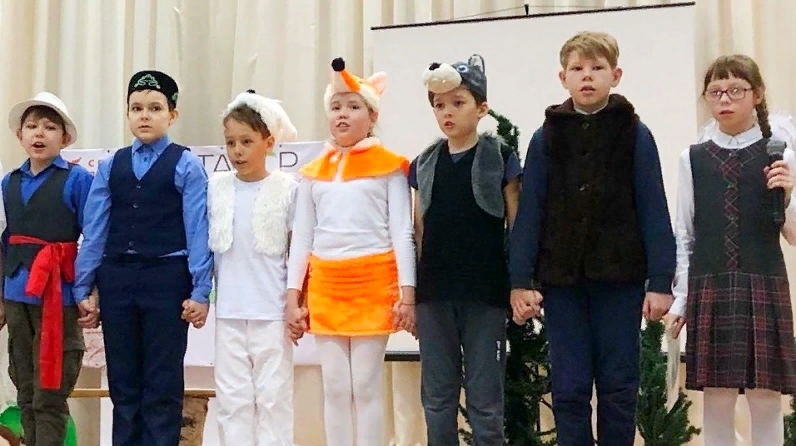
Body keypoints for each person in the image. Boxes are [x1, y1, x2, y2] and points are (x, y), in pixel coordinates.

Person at [508, 31, 676, 446]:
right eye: (577, 68)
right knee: (569, 387)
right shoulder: (546, 137)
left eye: (597, 68)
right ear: (562, 77)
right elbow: (530, 213)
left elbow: (654, 208)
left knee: (619, 385)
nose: (587, 76)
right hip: (562, 284)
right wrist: (520, 280)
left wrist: (660, 281)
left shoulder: (635, 133)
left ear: (615, 76)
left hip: (620, 282)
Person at [73, 70, 213, 446]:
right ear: (127, 114)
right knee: (123, 382)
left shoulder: (186, 164)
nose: (145, 115)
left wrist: (201, 290)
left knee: (162, 382)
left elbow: (198, 230)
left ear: (172, 115)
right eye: (136, 108)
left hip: (167, 278)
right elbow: (95, 230)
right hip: (117, 279)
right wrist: (83, 286)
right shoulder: (110, 166)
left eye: (155, 108)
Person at [664, 54, 796, 446]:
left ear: (757, 95)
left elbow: (793, 235)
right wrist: (681, 299)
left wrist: (788, 195)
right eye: (716, 91)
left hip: (764, 280)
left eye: (736, 90)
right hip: (710, 285)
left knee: (766, 398)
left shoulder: (780, 154)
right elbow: (684, 233)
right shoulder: (692, 157)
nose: (725, 99)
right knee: (717, 398)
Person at [285, 57, 416, 446]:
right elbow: (302, 238)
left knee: (366, 383)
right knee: (336, 385)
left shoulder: (390, 168)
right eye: (336, 106)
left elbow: (402, 232)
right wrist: (293, 297)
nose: (342, 114)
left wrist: (407, 294)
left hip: (373, 283)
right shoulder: (313, 173)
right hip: (326, 285)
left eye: (353, 106)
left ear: (372, 116)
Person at [410, 54, 521, 445]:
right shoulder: (424, 163)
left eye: (458, 103)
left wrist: (520, 283)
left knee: (485, 402)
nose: (447, 112)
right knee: (437, 399)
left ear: (481, 108)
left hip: (484, 295)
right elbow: (419, 231)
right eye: (439, 105)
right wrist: (414, 294)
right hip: (435, 296)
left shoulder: (500, 158)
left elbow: (516, 224)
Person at [2, 92, 94, 446]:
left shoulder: (77, 180)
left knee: (50, 391)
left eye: (50, 127)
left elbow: (95, 237)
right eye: (32, 126)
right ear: (20, 135)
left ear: (65, 139)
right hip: (16, 292)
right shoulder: (9, 182)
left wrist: (89, 290)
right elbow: (5, 240)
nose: (39, 133)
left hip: (58, 294)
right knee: (24, 387)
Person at [209, 89, 298, 446]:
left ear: (268, 142)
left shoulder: (287, 188)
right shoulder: (216, 187)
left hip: (271, 312)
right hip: (229, 312)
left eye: (247, 141)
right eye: (231, 142)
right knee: (232, 401)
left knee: (274, 398)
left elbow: (298, 251)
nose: (238, 151)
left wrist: (296, 303)